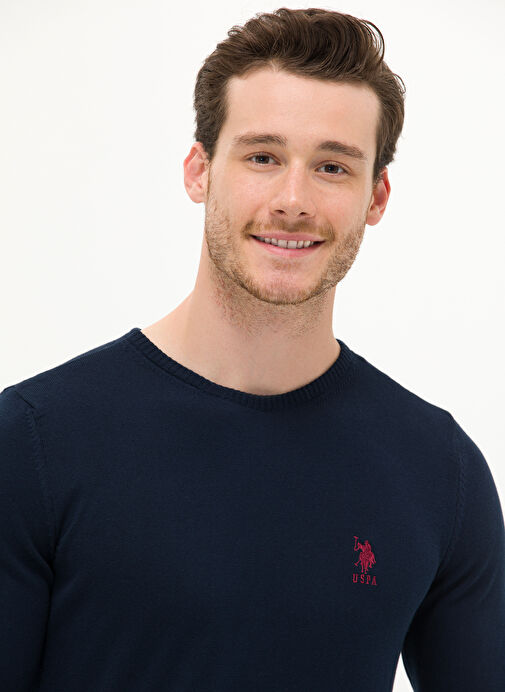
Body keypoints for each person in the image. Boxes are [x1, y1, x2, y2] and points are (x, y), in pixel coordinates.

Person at [1, 7, 504, 691]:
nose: (293, 200)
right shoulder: (34, 442)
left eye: (332, 166)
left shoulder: (440, 473)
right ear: (199, 171)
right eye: (262, 157)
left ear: (376, 196)